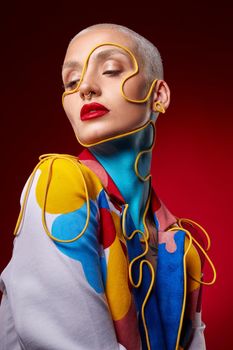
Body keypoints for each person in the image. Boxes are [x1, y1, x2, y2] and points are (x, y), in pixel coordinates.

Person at [0, 23, 216, 350]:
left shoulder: (181, 244)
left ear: (158, 96)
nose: (85, 87)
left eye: (111, 70)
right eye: (71, 82)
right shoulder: (58, 183)